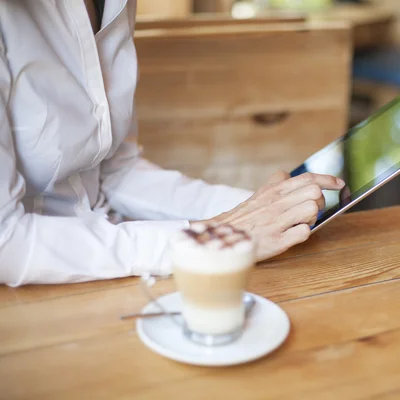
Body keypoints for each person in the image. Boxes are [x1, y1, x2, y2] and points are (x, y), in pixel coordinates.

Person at [0, 0, 344, 286]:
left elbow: (115, 171)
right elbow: (6, 244)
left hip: (120, 266)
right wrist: (204, 238)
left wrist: (259, 210)